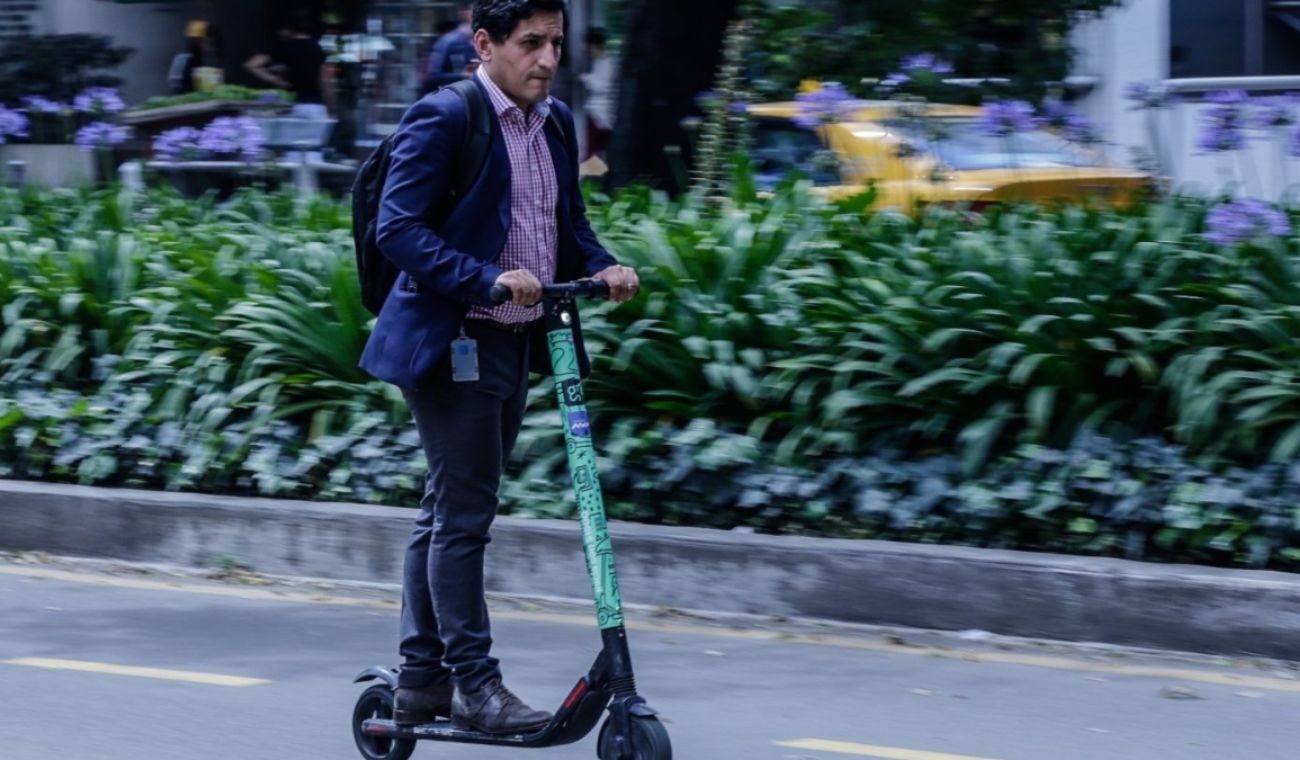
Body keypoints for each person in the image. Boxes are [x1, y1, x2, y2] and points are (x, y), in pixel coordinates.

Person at [358, 0, 640, 736]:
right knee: (464, 517)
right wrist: (482, 275)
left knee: (448, 508)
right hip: (457, 339)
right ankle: (475, 688)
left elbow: (566, 227)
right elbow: (398, 229)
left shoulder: (554, 122)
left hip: (516, 337)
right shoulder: (446, 116)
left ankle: (421, 682)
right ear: (484, 44)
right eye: (529, 44)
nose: (546, 59)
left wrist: (604, 266)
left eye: (554, 43)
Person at [244, 9, 331, 112]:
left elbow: (251, 65)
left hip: (289, 104)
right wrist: (331, 108)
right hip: (314, 105)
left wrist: (276, 80)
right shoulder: (317, 48)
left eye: (280, 30)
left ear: (288, 29)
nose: (278, 33)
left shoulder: (284, 47)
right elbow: (325, 81)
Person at [421, 0, 478, 94]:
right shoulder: (448, 42)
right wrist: (463, 75)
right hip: (457, 97)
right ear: (464, 13)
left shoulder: (488, 39)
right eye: (475, 10)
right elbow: (434, 75)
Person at [578, 26, 617, 161]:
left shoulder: (607, 63)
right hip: (603, 115)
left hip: (599, 114)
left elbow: (600, 87)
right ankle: (594, 178)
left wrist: (585, 78)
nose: (587, 50)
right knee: (597, 153)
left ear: (595, 45)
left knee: (591, 153)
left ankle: (591, 180)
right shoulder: (604, 62)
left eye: (588, 47)